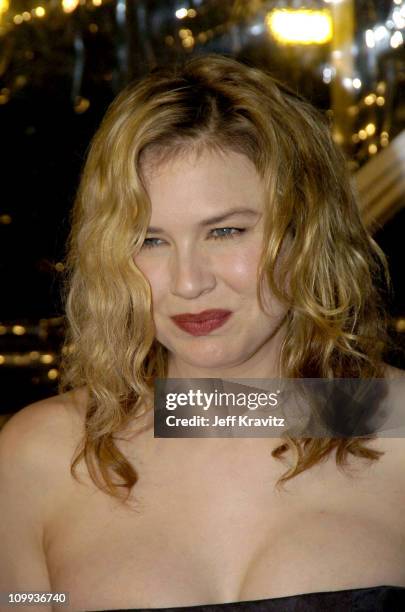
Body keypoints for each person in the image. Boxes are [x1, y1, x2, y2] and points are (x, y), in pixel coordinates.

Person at [1, 54, 405, 612]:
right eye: (150, 240)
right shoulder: (43, 457)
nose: (189, 283)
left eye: (226, 231)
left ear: (306, 230)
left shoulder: (396, 422)